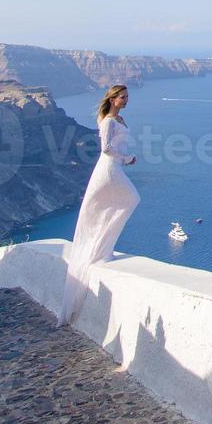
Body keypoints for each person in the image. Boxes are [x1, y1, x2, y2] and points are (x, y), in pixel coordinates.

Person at [57, 84, 140, 326]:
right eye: (122, 97)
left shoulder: (120, 119)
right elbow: (106, 148)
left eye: (127, 97)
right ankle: (102, 249)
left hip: (116, 168)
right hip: (108, 170)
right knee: (132, 199)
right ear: (112, 99)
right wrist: (127, 158)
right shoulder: (107, 122)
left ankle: (103, 248)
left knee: (118, 203)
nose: (126, 100)